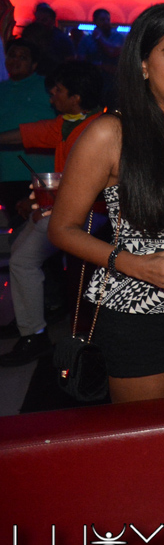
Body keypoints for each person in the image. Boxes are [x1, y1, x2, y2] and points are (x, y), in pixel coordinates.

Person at [48, 2, 164, 453]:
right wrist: (135, 264)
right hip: (138, 310)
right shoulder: (110, 133)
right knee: (148, 453)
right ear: (144, 65)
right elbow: (63, 229)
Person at [0, 61, 104, 367]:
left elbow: (90, 185)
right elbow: (23, 135)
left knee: (22, 259)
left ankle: (35, 334)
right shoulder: (66, 124)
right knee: (20, 249)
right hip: (64, 210)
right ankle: (32, 321)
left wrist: (45, 205)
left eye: (58, 90)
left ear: (76, 97)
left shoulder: (100, 128)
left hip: (91, 214)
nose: (51, 96)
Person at [0, 39, 56, 210]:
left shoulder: (48, 87)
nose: (15, 60)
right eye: (12, 55)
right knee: (15, 222)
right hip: (6, 174)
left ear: (34, 65)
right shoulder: (2, 89)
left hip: (41, 174)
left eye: (22, 57)